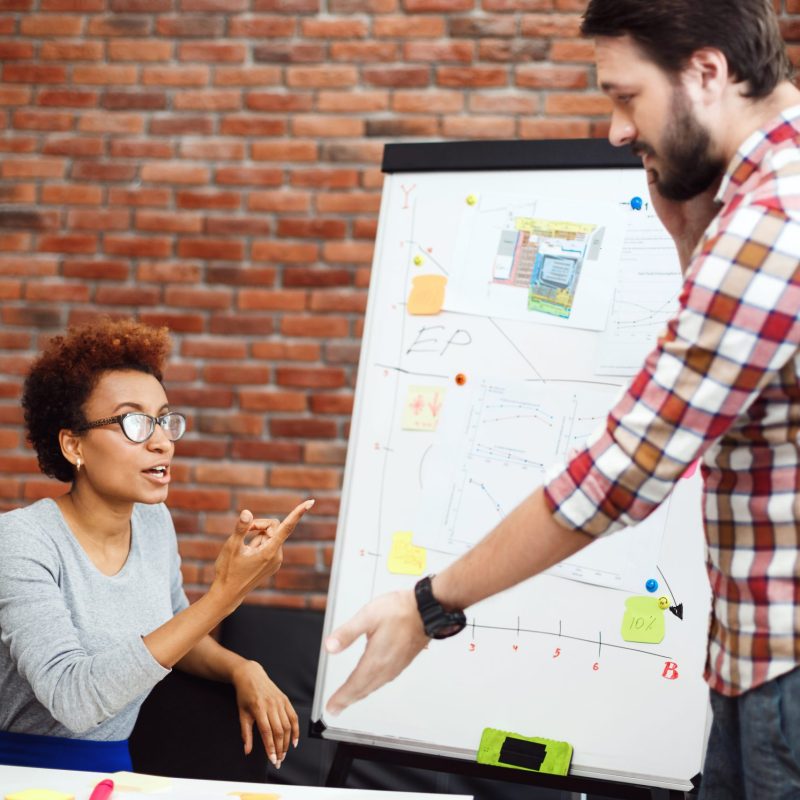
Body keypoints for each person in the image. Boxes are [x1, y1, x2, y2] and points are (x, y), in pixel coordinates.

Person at [324, 1, 800, 797]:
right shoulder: (754, 206)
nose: (619, 130)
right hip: (755, 659)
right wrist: (687, 238)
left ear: (707, 73)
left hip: (783, 675)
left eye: (625, 96)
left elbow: (622, 474)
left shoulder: (773, 219)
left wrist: (428, 605)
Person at [0, 318, 313, 773]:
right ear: (73, 445)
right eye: (134, 423)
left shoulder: (151, 522)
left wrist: (242, 668)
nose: (163, 442)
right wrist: (226, 596)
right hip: (25, 775)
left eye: (164, 420)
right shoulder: (21, 541)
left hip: (115, 771)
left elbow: (175, 631)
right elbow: (74, 701)